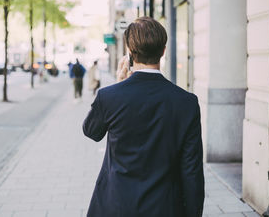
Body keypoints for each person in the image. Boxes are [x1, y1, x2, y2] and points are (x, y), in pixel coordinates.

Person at [83, 16, 204, 217]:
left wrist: (118, 83)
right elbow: (192, 170)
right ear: (163, 51)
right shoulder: (186, 102)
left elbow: (91, 132)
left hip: (115, 204)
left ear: (130, 53)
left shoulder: (110, 96)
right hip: (164, 207)